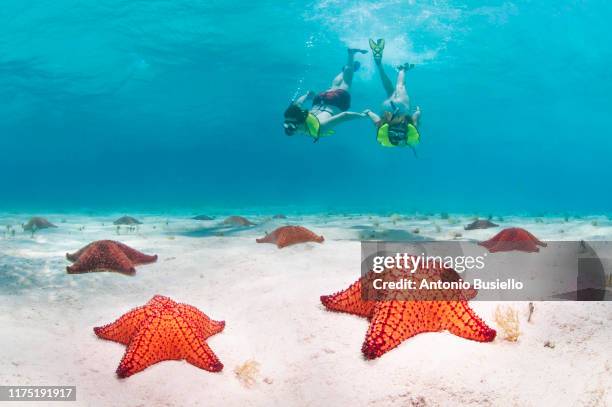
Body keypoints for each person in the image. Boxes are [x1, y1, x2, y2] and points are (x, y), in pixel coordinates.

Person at [283, 48, 368, 142]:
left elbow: (345, 115)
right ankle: (346, 69)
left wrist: (362, 115)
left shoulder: (320, 128)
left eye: (296, 129)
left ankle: (351, 54)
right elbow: (297, 103)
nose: (299, 132)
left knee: (346, 82)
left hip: (336, 102)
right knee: (334, 84)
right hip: (319, 99)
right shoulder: (298, 116)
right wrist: (306, 95)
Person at [365, 38, 422, 152]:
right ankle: (379, 64)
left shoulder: (410, 133)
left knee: (400, 86)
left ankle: (402, 70)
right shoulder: (384, 130)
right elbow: (376, 120)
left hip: (402, 107)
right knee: (389, 90)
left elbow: (415, 117)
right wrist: (368, 112)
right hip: (386, 107)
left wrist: (418, 111)